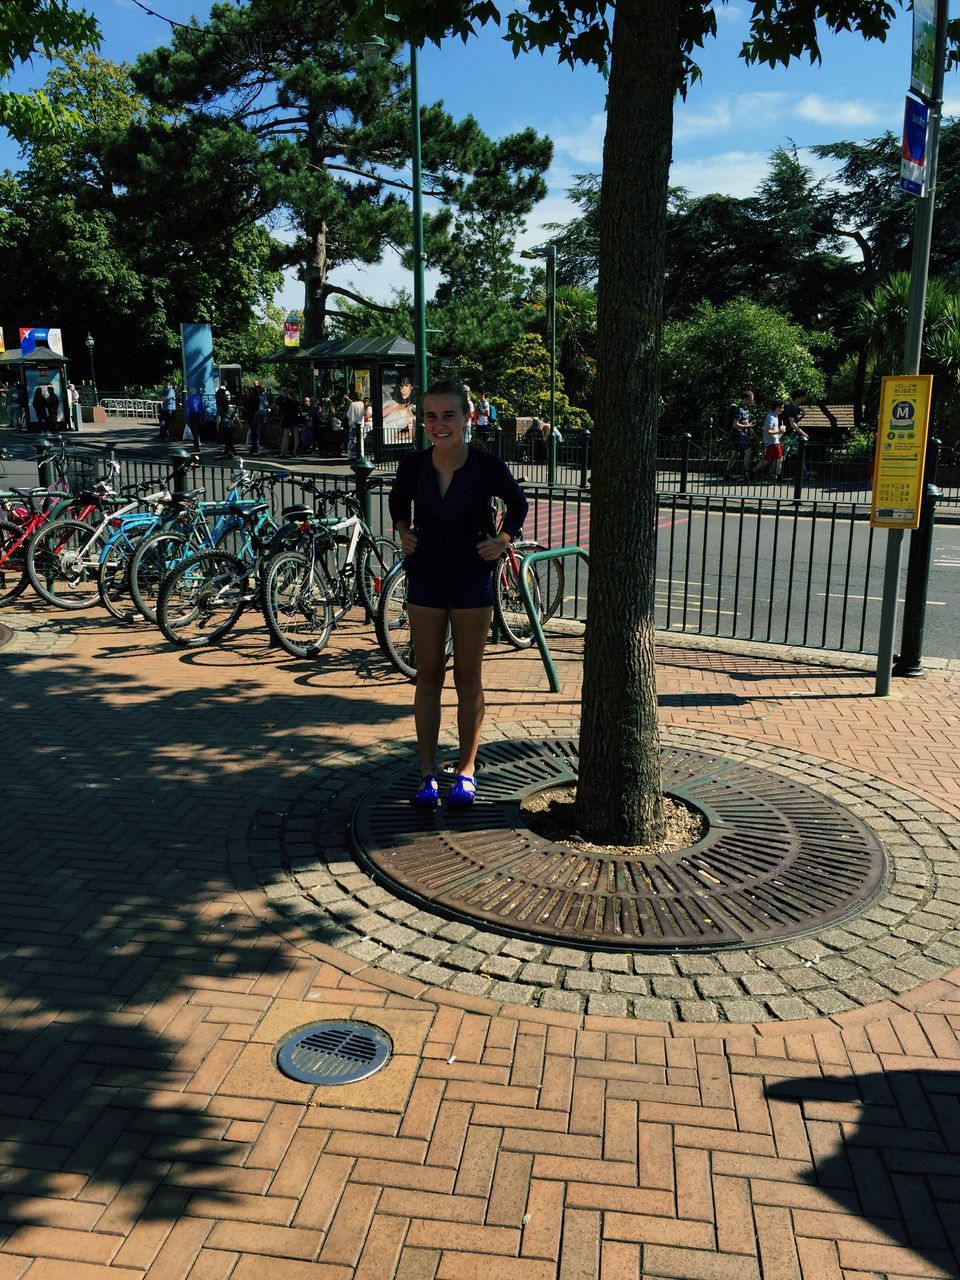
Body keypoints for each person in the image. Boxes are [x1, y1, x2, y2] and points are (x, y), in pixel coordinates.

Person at [388, 379, 528, 810]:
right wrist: (402, 530)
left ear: (468, 418)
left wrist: (502, 540)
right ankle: (427, 773)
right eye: (431, 416)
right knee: (427, 675)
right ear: (422, 420)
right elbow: (397, 502)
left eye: (449, 415)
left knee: (468, 678)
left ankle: (466, 771)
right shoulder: (413, 466)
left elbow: (518, 503)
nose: (439, 424)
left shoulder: (486, 466)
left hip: (471, 581)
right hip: (426, 579)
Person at [725, 390, 754, 479]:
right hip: (738, 434)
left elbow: (747, 423)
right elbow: (735, 424)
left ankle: (727, 474)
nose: (751, 402)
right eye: (750, 399)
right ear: (745, 399)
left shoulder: (746, 409)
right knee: (748, 450)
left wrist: (753, 433)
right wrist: (746, 427)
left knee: (735, 454)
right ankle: (746, 473)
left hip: (742, 434)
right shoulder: (738, 410)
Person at [763, 398, 786, 480]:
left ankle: (753, 471)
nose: (783, 409)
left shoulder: (775, 416)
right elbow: (768, 431)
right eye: (782, 407)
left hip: (774, 441)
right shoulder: (771, 417)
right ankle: (779, 477)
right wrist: (779, 431)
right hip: (772, 442)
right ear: (777, 408)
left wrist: (779, 433)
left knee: (768, 460)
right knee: (779, 458)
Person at [215, 384, 237, 458]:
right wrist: (239, 423)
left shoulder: (220, 406)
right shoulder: (232, 407)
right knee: (229, 438)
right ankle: (228, 451)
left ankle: (231, 451)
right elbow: (235, 416)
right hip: (231, 424)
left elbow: (219, 417)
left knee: (227, 439)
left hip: (224, 424)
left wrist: (217, 425)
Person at [346, 389, 365, 461]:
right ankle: (361, 454)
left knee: (352, 440)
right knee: (360, 440)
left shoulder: (353, 404)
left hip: (353, 424)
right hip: (361, 425)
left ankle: (353, 455)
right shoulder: (362, 404)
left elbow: (348, 414)